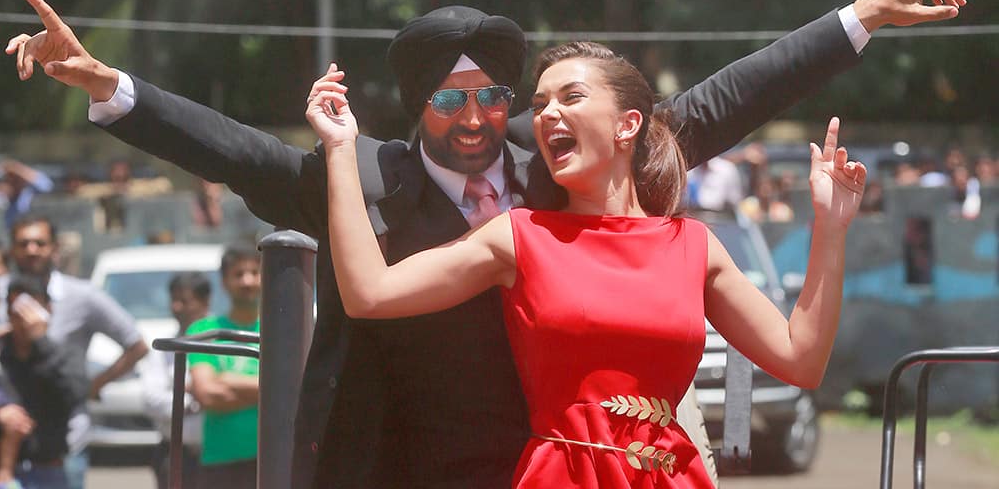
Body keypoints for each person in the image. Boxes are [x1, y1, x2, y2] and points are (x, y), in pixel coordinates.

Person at [4, 0, 965, 488]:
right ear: (416, 108)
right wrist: (106, 85)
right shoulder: (361, 177)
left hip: (549, 461)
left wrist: (863, 18)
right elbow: (227, 146)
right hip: (393, 458)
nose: (479, 117)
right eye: (450, 99)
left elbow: (717, 102)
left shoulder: (561, 173)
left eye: (494, 97)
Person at [307, 43, 866, 487]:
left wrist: (831, 229)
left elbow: (800, 360)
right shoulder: (517, 237)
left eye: (570, 97)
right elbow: (369, 293)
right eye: (541, 102)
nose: (546, 114)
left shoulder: (693, 245)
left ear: (627, 125)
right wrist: (339, 151)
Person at [0, 215, 149, 489]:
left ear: (54, 249)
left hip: (64, 446)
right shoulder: (1, 292)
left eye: (39, 243)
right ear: (12, 250)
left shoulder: (82, 296)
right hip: (5, 447)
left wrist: (92, 386)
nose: (32, 250)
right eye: (24, 243)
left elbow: (136, 345)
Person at [0, 275, 88, 489]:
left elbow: (73, 395)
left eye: (31, 309)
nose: (23, 319)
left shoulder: (62, 354)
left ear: (48, 309)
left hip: (50, 469)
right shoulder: (1, 352)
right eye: (17, 310)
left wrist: (41, 343)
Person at [185, 246, 261, 489]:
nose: (247, 280)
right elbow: (207, 394)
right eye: (238, 274)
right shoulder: (204, 332)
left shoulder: (286, 328)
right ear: (224, 282)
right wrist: (272, 391)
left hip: (274, 459)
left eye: (254, 272)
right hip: (220, 463)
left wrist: (228, 378)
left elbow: (295, 389)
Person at [140, 272, 211, 489]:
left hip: (217, 454)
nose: (177, 307)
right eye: (174, 300)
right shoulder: (165, 347)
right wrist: (196, 401)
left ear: (204, 302)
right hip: (175, 453)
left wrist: (200, 392)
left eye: (185, 301)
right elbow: (151, 399)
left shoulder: (222, 342)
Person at [0, 161, 53, 232]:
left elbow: (48, 186)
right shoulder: (3, 197)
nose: (13, 182)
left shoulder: (28, 193)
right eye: (9, 179)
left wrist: (17, 169)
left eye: (16, 179)